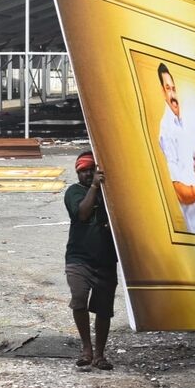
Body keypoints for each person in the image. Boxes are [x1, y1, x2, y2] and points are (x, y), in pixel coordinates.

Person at [64, 151, 118, 371]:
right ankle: (86, 348)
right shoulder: (74, 192)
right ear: (78, 173)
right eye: (83, 171)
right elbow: (83, 214)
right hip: (79, 259)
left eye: (90, 170)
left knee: (104, 310)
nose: (87, 174)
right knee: (79, 299)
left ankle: (99, 355)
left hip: (106, 260)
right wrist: (95, 187)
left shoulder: (109, 193)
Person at [156, 63, 195, 236]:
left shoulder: (184, 120)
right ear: (162, 92)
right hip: (194, 220)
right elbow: (179, 189)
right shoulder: (167, 130)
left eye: (174, 88)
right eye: (168, 89)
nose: (173, 94)